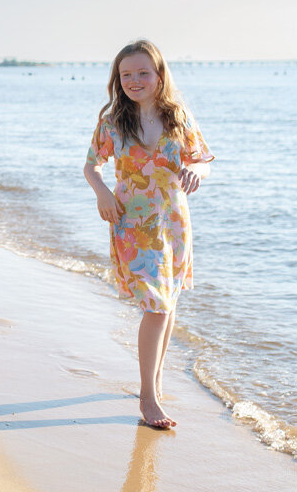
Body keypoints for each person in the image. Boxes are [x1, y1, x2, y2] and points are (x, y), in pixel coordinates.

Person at [82, 39, 213, 430]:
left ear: (159, 75)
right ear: (117, 79)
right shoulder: (112, 121)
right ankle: (147, 395)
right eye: (126, 75)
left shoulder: (178, 117)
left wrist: (197, 173)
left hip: (173, 220)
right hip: (132, 222)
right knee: (156, 306)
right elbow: (91, 166)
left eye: (142, 73)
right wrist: (102, 192)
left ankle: (155, 381)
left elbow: (204, 159)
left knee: (168, 303)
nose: (134, 81)